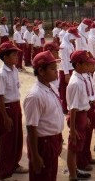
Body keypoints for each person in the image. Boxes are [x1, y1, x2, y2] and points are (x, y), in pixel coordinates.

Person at [23, 51, 64, 181]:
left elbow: (53, 115)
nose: (56, 72)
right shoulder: (35, 96)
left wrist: (59, 135)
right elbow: (31, 127)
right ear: (41, 71)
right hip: (43, 143)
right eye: (52, 69)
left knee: (51, 173)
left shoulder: (50, 87)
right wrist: (35, 155)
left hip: (52, 139)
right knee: (42, 175)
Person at [0, 42, 28, 180]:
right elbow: (0, 97)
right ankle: (4, 170)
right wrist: (5, 117)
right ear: (5, 57)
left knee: (17, 138)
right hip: (6, 108)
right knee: (7, 140)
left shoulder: (14, 70)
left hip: (15, 105)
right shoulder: (1, 75)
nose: (17, 56)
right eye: (14, 54)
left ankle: (14, 164)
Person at [66, 50, 95, 181]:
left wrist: (87, 117)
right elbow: (73, 108)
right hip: (77, 116)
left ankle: (75, 170)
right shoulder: (75, 82)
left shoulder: (81, 78)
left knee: (79, 145)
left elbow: (82, 102)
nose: (87, 66)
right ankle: (73, 175)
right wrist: (72, 129)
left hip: (82, 114)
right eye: (85, 64)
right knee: (73, 148)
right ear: (77, 65)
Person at [59, 27, 80, 114]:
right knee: (65, 90)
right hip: (65, 70)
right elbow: (63, 60)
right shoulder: (63, 46)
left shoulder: (70, 44)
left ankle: (71, 105)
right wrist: (66, 74)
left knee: (71, 89)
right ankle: (65, 107)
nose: (74, 39)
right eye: (73, 37)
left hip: (71, 68)